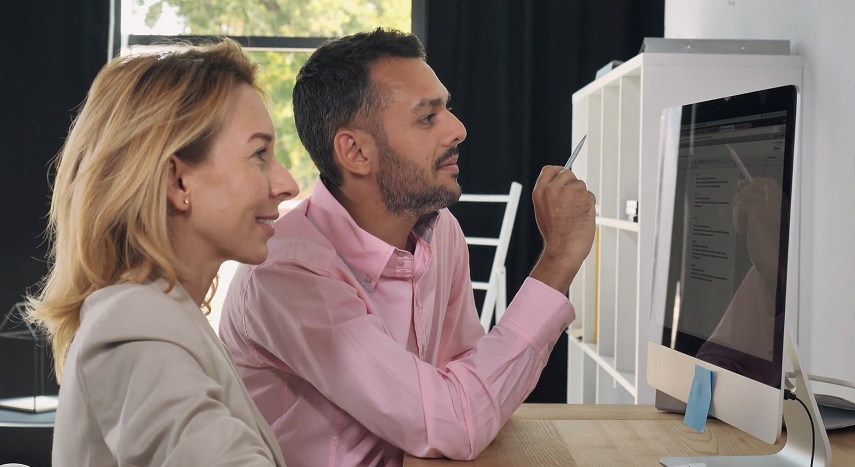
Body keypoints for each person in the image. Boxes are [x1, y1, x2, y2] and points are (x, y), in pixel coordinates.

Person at [218, 28, 595, 466]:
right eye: (427, 118)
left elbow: (473, 381)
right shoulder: (287, 274)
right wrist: (558, 261)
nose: (459, 129)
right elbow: (459, 420)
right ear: (355, 152)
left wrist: (470, 402)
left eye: (447, 108)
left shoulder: (442, 233)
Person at [25, 38, 298, 466]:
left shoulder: (161, 317)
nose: (288, 184)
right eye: (259, 154)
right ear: (177, 182)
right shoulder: (134, 325)